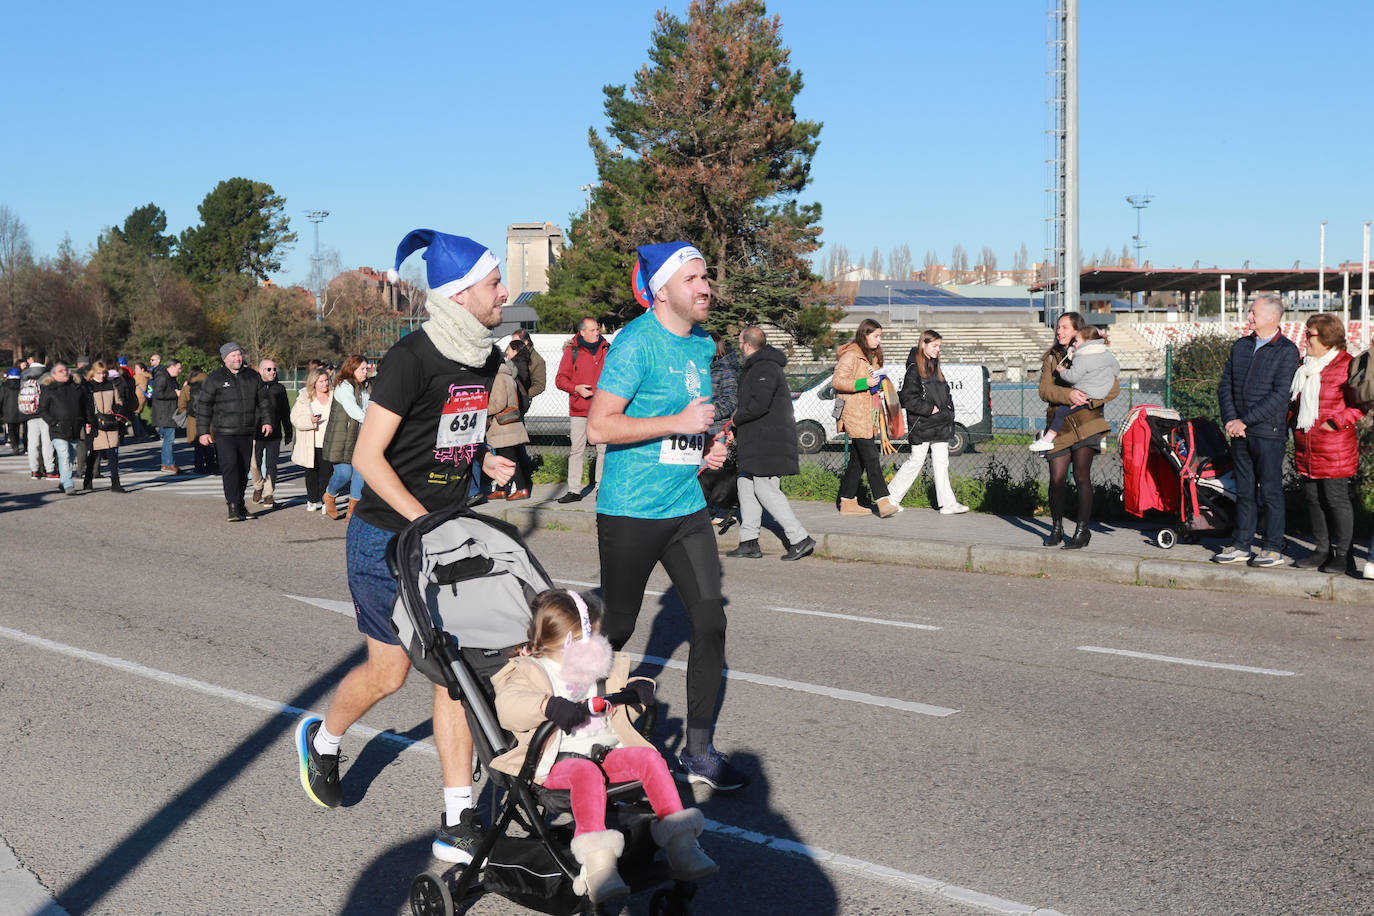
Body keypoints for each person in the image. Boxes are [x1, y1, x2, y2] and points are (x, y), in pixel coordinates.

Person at [294, 229, 518, 866]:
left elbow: (452, 437)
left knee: (454, 670)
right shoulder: (412, 358)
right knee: (390, 672)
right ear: (459, 294)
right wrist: (423, 519)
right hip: (386, 536)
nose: (504, 293)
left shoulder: (483, 357)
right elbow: (369, 455)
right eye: (494, 283)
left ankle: (456, 817)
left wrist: (486, 466)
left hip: (440, 534)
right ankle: (326, 740)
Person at [585, 241, 746, 790]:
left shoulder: (702, 345)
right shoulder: (635, 344)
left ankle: (698, 752)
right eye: (693, 279)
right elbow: (599, 428)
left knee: (710, 621)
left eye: (706, 278)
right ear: (662, 291)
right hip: (631, 509)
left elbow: (691, 427)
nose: (705, 288)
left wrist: (705, 450)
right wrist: (676, 419)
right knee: (621, 626)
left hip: (686, 507)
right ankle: (572, 720)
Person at [492, 589, 717, 904]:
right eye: (594, 630)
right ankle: (598, 865)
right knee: (585, 772)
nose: (599, 637)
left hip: (603, 753)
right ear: (576, 635)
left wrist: (637, 691)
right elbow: (509, 706)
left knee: (648, 759)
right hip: (554, 763)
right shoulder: (529, 670)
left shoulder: (596, 666)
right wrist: (546, 705)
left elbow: (617, 713)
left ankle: (681, 844)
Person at [1213, 295, 1301, 567]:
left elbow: (1279, 395)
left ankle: (1273, 547)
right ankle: (1241, 544)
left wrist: (1245, 421)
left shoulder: (1287, 350)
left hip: (1268, 433)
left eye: (1253, 313)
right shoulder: (1241, 346)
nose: (1248, 317)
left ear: (1271, 318)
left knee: (1271, 491)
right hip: (1239, 431)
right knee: (1245, 491)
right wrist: (1231, 419)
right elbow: (1225, 385)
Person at [726, 325, 814, 560]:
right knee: (745, 484)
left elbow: (759, 404)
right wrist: (736, 426)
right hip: (756, 439)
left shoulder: (764, 367)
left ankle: (799, 538)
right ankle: (749, 541)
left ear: (746, 344)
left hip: (767, 441)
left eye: (740, 341)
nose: (738, 345)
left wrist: (735, 419)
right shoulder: (758, 366)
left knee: (765, 489)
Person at [1036, 313, 1121, 550]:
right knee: (1056, 479)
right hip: (1059, 427)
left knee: (1082, 476)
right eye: (1057, 328)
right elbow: (1044, 390)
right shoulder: (1052, 358)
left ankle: (1082, 531)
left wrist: (1088, 400)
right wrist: (1068, 395)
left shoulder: (1094, 354)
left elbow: (1114, 388)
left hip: (1087, 422)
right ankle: (1056, 528)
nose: (1059, 332)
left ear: (1077, 331)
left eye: (1064, 327)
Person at [1288, 314, 1363, 574]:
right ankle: (1322, 549)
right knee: (1313, 498)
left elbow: (1360, 405)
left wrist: (1335, 423)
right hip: (1306, 444)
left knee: (1335, 499)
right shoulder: (1305, 364)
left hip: (1334, 446)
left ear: (1327, 336)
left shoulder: (1346, 364)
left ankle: (1344, 554)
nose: (1305, 338)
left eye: (1310, 334)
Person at [888, 329, 970, 514]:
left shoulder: (934, 366)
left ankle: (948, 504)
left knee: (942, 462)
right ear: (923, 344)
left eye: (939, 346)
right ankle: (891, 497)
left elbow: (945, 392)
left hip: (939, 422)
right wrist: (930, 409)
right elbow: (908, 398)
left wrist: (948, 408)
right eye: (934, 346)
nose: (937, 349)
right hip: (923, 423)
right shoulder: (914, 369)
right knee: (915, 461)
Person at [195, 342, 274, 522]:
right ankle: (232, 505)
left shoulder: (253, 377)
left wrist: (267, 421)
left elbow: (264, 402)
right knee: (230, 466)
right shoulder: (214, 378)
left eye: (239, 355)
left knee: (242, 469)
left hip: (246, 431)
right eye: (233, 356)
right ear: (225, 359)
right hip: (224, 432)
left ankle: (239, 504)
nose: (238, 358)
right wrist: (203, 432)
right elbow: (203, 406)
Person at [832, 318, 899, 518]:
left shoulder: (868, 357)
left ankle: (847, 500)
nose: (879, 340)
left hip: (867, 413)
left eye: (880, 336)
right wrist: (865, 381)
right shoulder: (851, 355)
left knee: (857, 460)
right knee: (871, 457)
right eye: (876, 336)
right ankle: (883, 501)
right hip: (855, 413)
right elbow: (837, 381)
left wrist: (877, 379)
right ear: (865, 334)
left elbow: (872, 387)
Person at [1030, 325, 1120, 453]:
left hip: (1086, 396)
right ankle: (1102, 439)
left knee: (1061, 412)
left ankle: (1047, 440)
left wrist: (1062, 372)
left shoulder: (1082, 357)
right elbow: (1116, 370)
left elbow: (1073, 377)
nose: (1075, 344)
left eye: (1077, 341)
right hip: (1098, 394)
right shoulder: (1105, 353)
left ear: (1087, 342)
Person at [555, 316, 610, 503]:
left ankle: (601, 489)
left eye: (597, 329)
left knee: (603, 451)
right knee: (577, 450)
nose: (597, 333)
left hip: (602, 409)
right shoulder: (572, 351)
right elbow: (560, 379)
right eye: (593, 330)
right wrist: (576, 388)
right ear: (583, 332)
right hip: (579, 409)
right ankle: (574, 491)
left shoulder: (607, 349)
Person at [321, 356, 370, 520]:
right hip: (342, 438)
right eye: (362, 369)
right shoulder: (344, 386)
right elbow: (353, 410)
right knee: (344, 473)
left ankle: (352, 512)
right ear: (352, 369)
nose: (366, 371)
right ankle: (329, 495)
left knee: (360, 474)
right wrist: (373, 422)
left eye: (366, 368)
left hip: (361, 437)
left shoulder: (366, 387)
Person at [485, 343, 531, 500]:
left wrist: (483, 410)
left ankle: (522, 488)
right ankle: (501, 488)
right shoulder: (508, 375)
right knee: (505, 458)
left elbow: (498, 403)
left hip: (502, 426)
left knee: (509, 459)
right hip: (510, 425)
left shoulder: (498, 377)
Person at [38, 362, 87, 495]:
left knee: (70, 457)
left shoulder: (76, 387)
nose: (65, 372)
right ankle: (68, 484)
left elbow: (85, 406)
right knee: (64, 455)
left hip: (75, 427)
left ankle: (63, 480)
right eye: (61, 371)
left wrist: (86, 421)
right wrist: (54, 422)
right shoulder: (48, 389)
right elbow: (42, 410)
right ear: (54, 374)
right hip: (58, 430)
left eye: (66, 370)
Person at [250, 358, 292, 509]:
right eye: (269, 369)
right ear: (260, 371)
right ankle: (258, 486)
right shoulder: (253, 387)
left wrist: (288, 432)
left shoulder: (279, 389)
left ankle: (268, 494)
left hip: (274, 434)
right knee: (254, 465)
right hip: (255, 433)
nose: (273, 372)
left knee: (271, 465)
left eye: (274, 369)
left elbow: (285, 412)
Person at [290, 367, 333, 512]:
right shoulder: (304, 397)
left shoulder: (335, 395)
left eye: (326, 380)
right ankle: (312, 499)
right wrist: (310, 420)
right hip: (310, 442)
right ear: (313, 382)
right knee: (311, 473)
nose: (324, 384)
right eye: (321, 381)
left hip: (328, 442)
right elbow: (295, 418)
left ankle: (326, 500)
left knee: (327, 473)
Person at [83, 362, 127, 493]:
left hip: (110, 422)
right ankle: (88, 479)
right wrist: (87, 422)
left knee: (112, 452)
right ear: (93, 373)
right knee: (94, 453)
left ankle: (115, 483)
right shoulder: (88, 387)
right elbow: (84, 406)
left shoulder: (111, 385)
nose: (101, 376)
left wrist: (117, 413)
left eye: (103, 373)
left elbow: (118, 402)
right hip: (94, 423)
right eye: (98, 373)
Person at [21, 360, 56, 479]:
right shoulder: (47, 377)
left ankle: (35, 470)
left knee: (33, 443)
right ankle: (50, 470)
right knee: (47, 443)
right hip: (46, 414)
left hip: (30, 414)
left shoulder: (25, 378)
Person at [180, 367, 217, 475]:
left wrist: (189, 413)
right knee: (210, 444)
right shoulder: (211, 385)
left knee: (198, 446)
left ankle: (199, 468)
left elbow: (181, 405)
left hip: (193, 419)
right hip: (210, 418)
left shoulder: (188, 387)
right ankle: (212, 467)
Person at [150, 359, 182, 472]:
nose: (180, 371)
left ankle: (167, 463)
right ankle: (168, 464)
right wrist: (175, 393)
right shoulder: (163, 377)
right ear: (171, 367)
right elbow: (158, 393)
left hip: (167, 412)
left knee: (168, 439)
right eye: (178, 368)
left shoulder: (169, 377)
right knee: (169, 439)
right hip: (164, 413)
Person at [2, 367, 25, 454]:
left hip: (8, 411)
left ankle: (15, 445)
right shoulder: (22, 385)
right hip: (20, 410)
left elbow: (1, 399)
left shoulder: (5, 386)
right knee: (18, 428)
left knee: (11, 429)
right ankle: (21, 445)